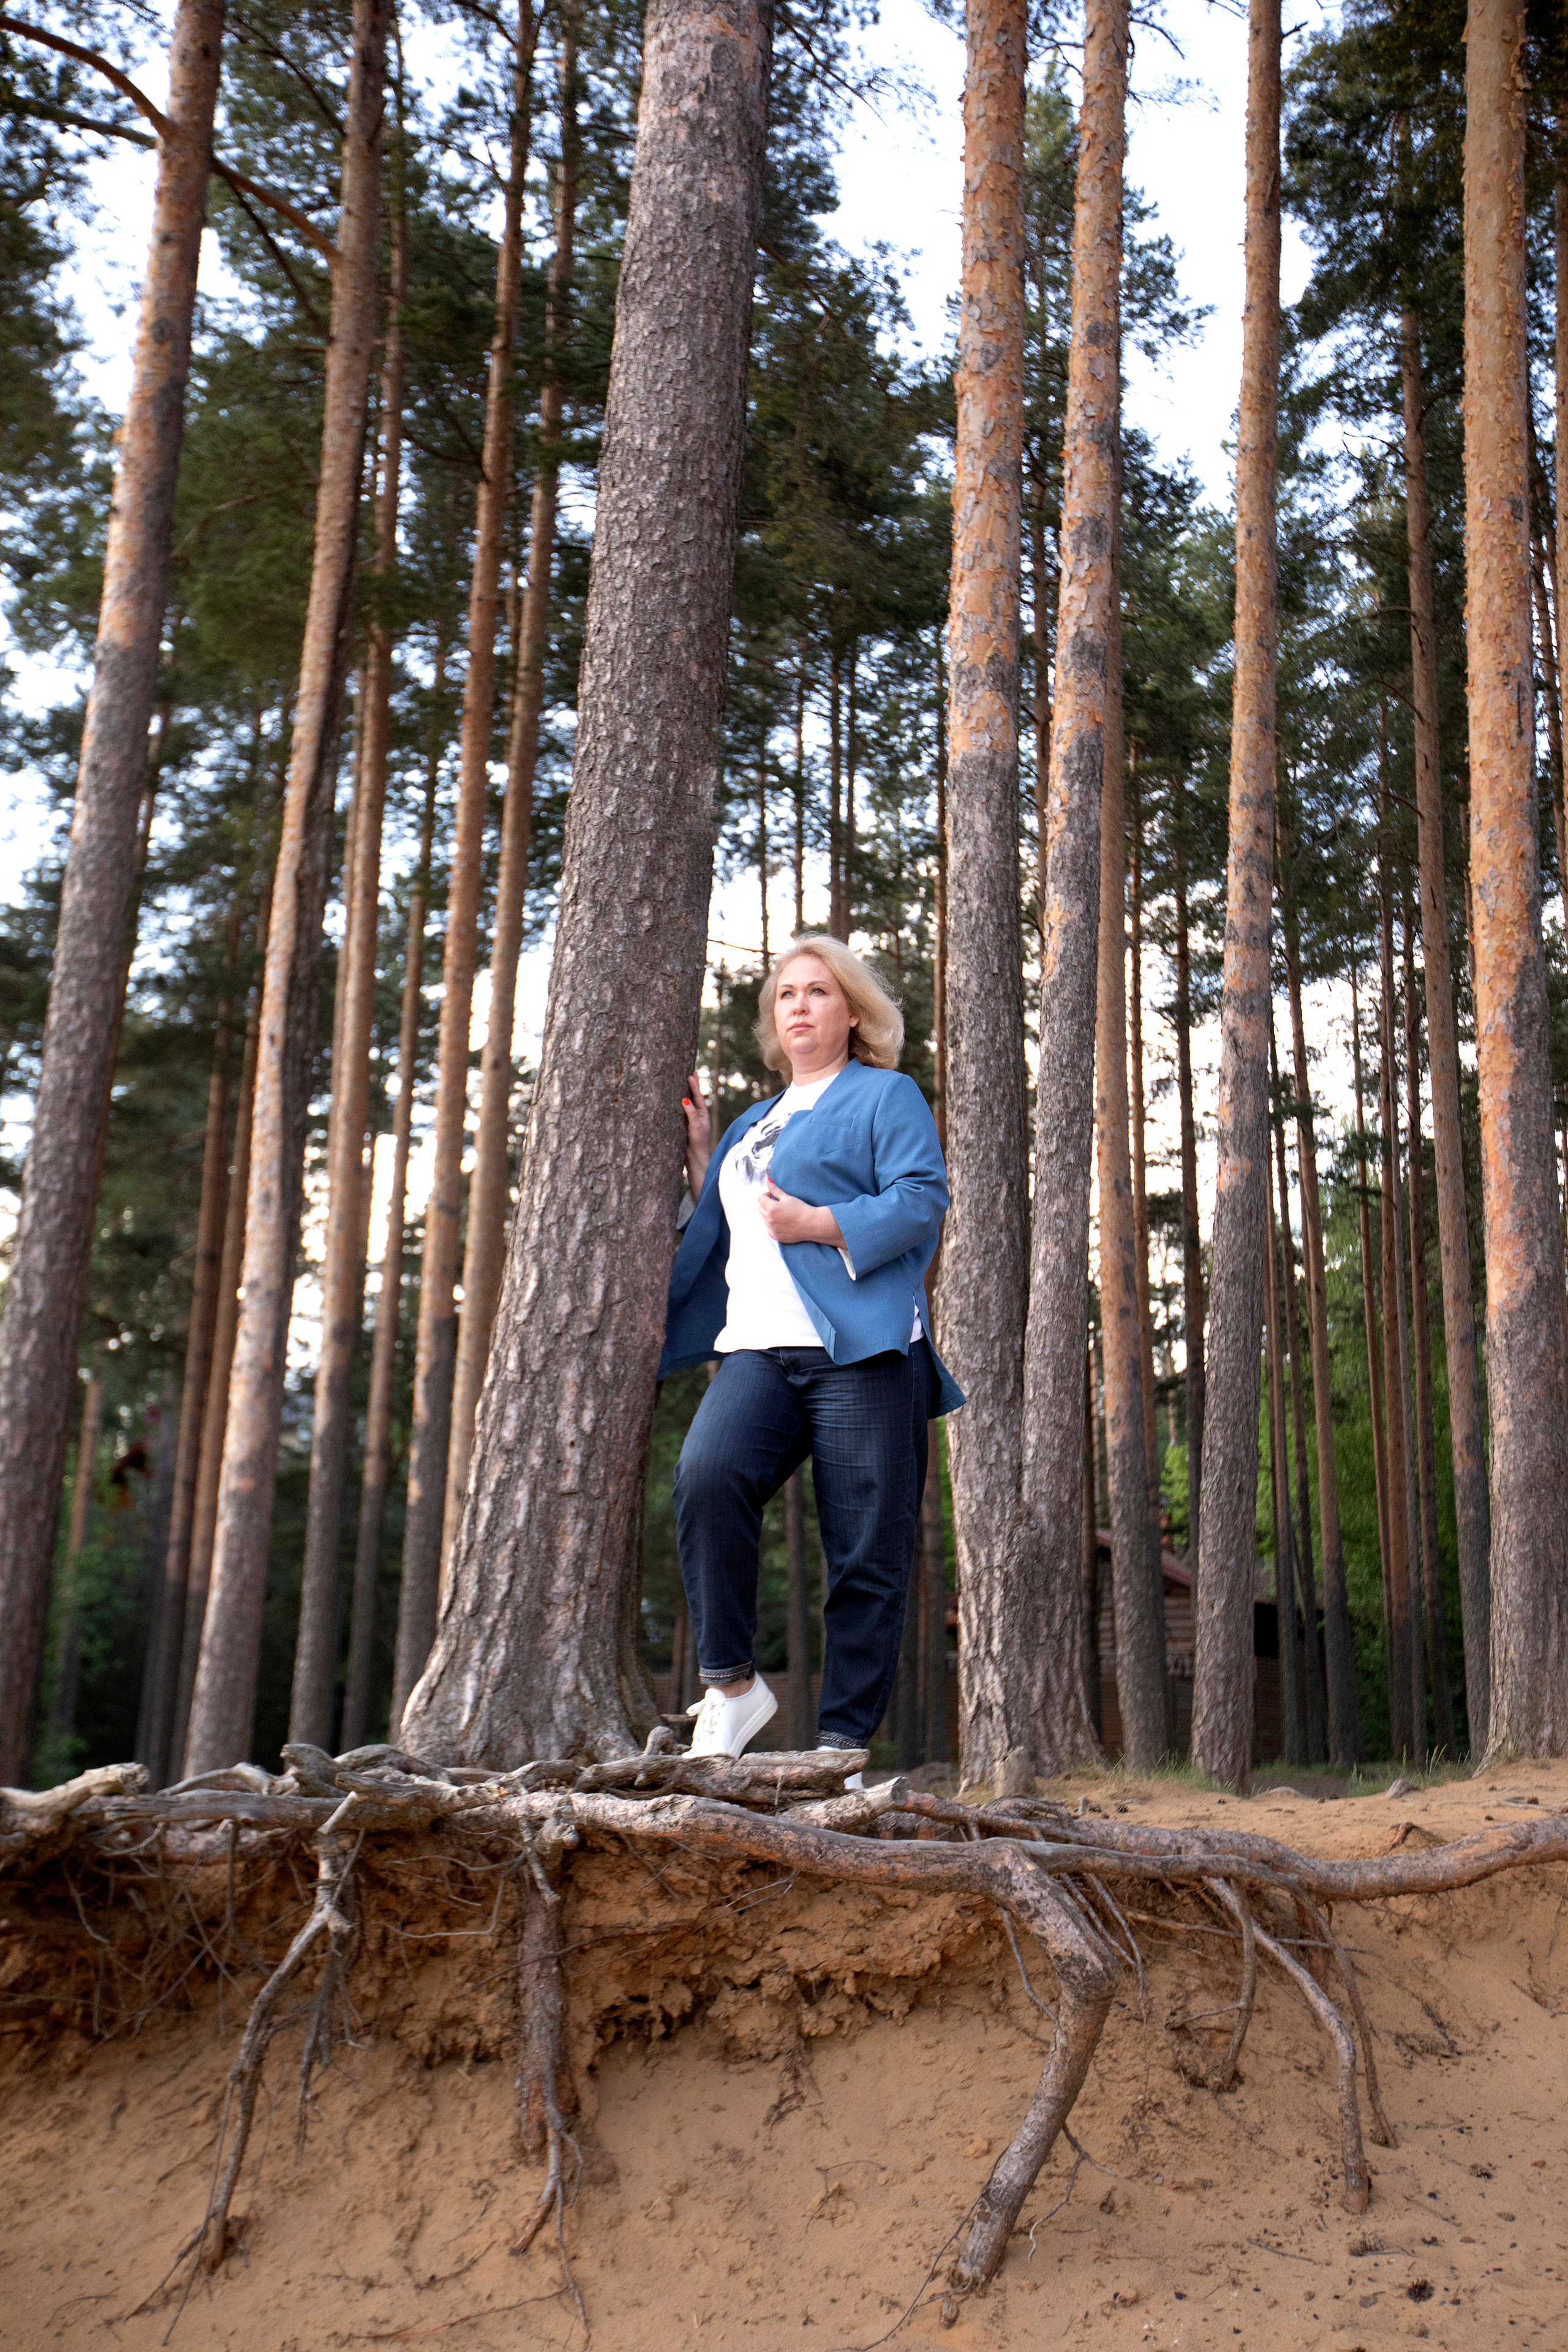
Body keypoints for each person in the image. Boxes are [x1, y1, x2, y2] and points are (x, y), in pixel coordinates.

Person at [660, 935, 963, 1765]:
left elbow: (920, 1199)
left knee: (865, 1548)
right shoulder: (754, 1123)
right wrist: (701, 1161)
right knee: (707, 1477)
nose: (798, 1005)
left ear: (853, 1011)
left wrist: (819, 1225)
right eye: (786, 994)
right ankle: (732, 1686)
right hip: (759, 1349)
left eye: (818, 992)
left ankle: (841, 1746)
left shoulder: (883, 1095)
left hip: (863, 1352)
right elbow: (730, 1233)